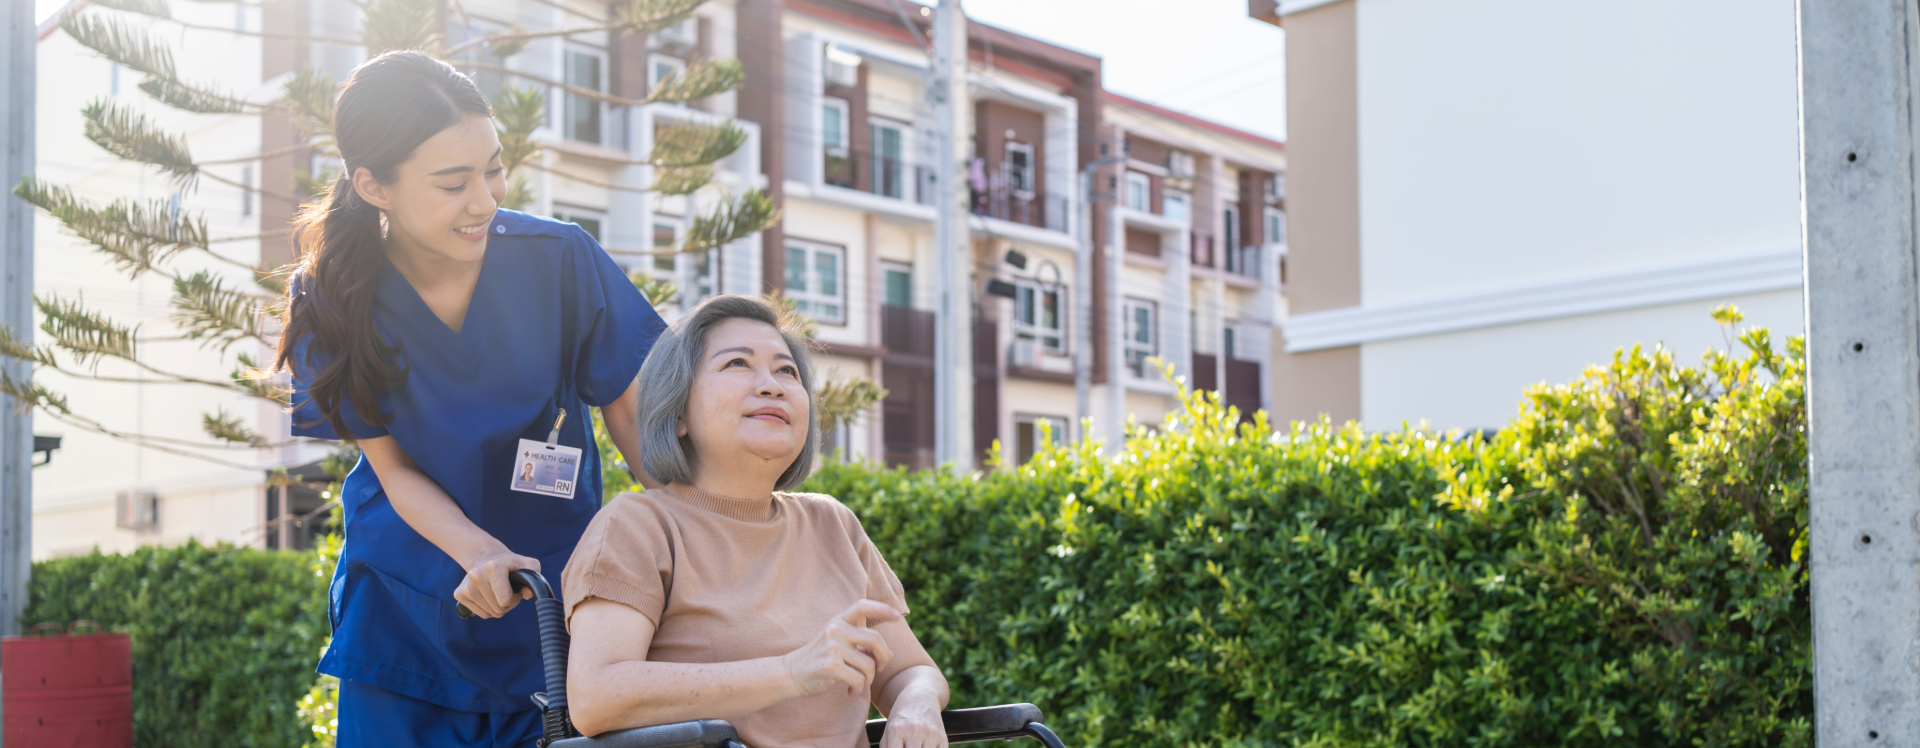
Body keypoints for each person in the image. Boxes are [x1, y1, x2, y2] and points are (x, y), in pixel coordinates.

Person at [273, 51, 667, 746]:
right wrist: (481, 553)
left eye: (493, 169)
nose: (483, 200)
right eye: (453, 182)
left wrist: (703, 544)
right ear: (374, 185)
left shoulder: (561, 259)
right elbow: (392, 469)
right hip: (409, 608)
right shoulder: (330, 298)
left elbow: (634, 415)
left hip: (560, 610)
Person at [562, 295, 950, 748]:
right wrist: (792, 671)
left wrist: (914, 705)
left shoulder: (832, 524)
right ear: (679, 411)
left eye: (786, 370)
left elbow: (910, 671)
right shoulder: (638, 527)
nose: (772, 385)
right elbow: (595, 697)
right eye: (738, 365)